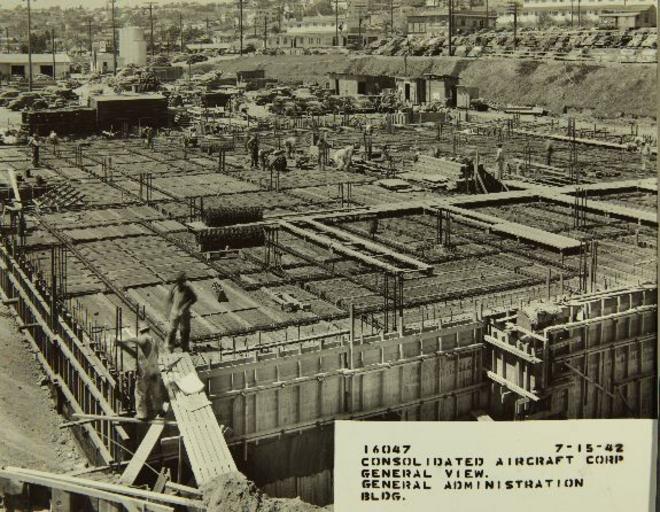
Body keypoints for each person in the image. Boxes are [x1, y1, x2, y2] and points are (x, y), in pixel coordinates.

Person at [116, 325, 164, 420]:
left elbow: (139, 340)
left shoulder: (144, 338)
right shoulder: (153, 340)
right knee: (156, 392)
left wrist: (124, 341)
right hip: (155, 369)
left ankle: (142, 414)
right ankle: (159, 410)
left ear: (141, 331)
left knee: (140, 392)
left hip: (145, 371)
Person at [166, 272, 197, 352]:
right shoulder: (174, 288)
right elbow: (170, 299)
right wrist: (173, 309)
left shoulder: (188, 289)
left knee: (185, 331)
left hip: (184, 314)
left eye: (181, 282)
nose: (179, 284)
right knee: (172, 330)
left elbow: (194, 299)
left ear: (183, 281)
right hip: (174, 313)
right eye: (178, 282)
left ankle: (184, 347)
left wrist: (185, 306)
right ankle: (170, 348)